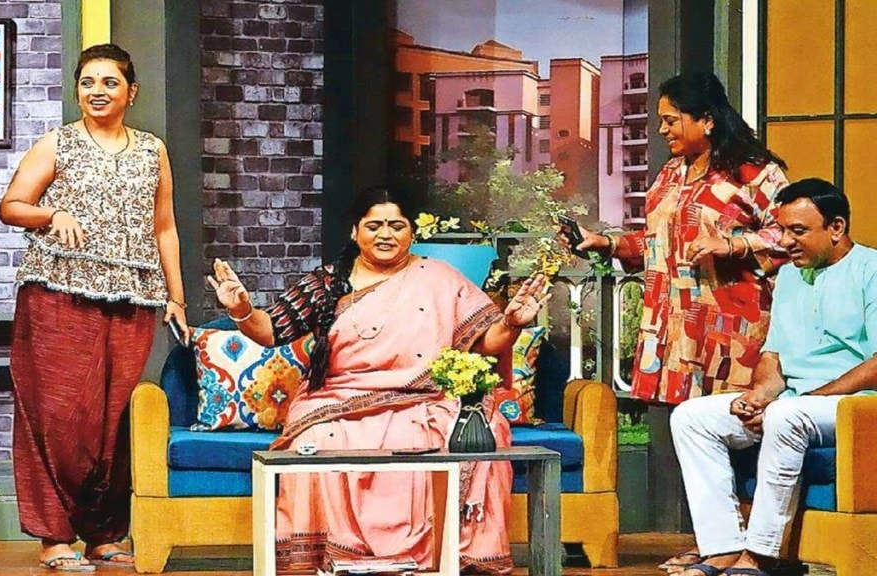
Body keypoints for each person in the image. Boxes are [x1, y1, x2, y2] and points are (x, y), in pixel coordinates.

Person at [208, 186, 550, 574]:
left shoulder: (439, 278)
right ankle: (335, 558)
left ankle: (444, 558)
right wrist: (241, 309)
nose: (385, 234)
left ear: (411, 232)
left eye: (396, 225)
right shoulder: (326, 283)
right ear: (355, 231)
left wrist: (512, 322)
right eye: (374, 226)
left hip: (423, 398)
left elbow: (486, 342)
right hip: (339, 400)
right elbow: (271, 330)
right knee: (315, 440)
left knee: (479, 429)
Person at [564, 72, 791, 572]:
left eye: (671, 120)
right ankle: (714, 542)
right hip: (675, 322)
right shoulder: (671, 172)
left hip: (733, 325)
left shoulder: (756, 173)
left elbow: (791, 235)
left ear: (706, 120)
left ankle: (751, 548)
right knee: (690, 428)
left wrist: (734, 244)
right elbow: (656, 243)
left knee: (739, 427)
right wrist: (607, 242)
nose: (663, 129)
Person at [0, 44, 189, 571]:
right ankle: (54, 536)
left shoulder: (152, 149)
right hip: (58, 293)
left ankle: (103, 534)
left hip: (132, 297)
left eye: (109, 82)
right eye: (87, 82)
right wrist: (50, 215)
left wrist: (176, 297)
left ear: (132, 91)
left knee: (114, 417)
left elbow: (165, 228)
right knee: (60, 415)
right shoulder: (58, 143)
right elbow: (11, 206)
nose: (97, 91)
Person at [668, 178, 876, 576]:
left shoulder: (872, 271)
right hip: (796, 403)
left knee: (784, 415)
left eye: (798, 231)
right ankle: (723, 546)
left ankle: (761, 554)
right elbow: (774, 355)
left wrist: (801, 401)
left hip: (857, 406)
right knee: (692, 417)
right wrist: (760, 395)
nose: (785, 241)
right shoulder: (791, 277)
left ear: (836, 227)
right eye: (782, 230)